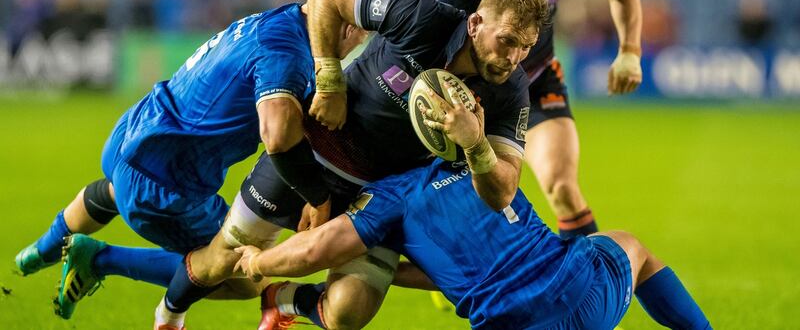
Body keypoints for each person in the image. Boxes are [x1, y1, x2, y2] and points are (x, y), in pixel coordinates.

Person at [156, 0, 550, 330]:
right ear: (477, 24)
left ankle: (283, 301)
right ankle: (169, 316)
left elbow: (502, 192)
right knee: (222, 262)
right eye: (508, 41)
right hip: (314, 156)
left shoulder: (511, 90)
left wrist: (476, 144)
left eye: (526, 47)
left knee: (348, 313)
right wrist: (328, 79)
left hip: (381, 193)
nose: (514, 57)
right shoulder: (420, 16)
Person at [14, 0, 372, 321]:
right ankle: (99, 260)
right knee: (241, 273)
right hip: (167, 181)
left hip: (134, 133)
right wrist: (317, 196)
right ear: (348, 26)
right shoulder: (286, 53)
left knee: (114, 190)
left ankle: (40, 250)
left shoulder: (277, 18)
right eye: (358, 40)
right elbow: (277, 136)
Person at [377, 0, 644, 238]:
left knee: (563, 188)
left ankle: (589, 282)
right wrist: (420, 35)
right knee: (445, 204)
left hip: (535, 77)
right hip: (462, 88)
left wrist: (630, 51)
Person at [234, 156, 712, 330]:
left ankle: (285, 302)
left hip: (513, 322)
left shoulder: (390, 195)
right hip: (588, 296)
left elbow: (316, 251)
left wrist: (259, 261)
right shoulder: (488, 158)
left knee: (348, 306)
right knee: (632, 246)